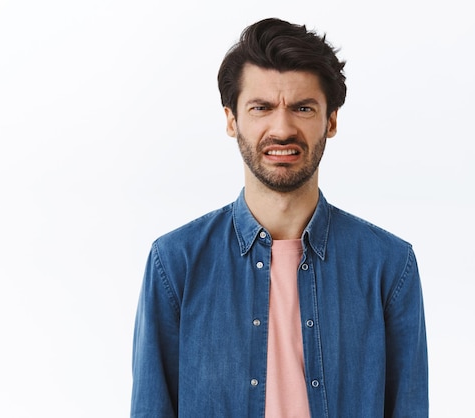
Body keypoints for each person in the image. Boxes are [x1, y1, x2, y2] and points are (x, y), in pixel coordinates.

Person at [130, 17, 428, 418]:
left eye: (303, 108)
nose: (282, 128)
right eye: (261, 108)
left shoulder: (389, 266)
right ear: (232, 120)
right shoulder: (176, 263)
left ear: (331, 120)